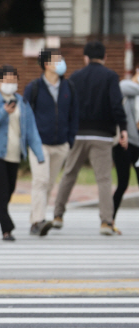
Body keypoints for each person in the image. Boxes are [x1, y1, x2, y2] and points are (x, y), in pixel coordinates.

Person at [53, 41, 128, 236]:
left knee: (69, 173)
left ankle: (58, 215)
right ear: (105, 57)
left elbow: (66, 105)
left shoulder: (75, 77)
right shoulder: (111, 76)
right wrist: (123, 129)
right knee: (103, 179)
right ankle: (106, 222)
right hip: (102, 135)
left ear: (85, 58)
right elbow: (116, 105)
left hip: (78, 132)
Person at [0, 65, 45, 242]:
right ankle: (7, 229)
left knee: (8, 191)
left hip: (14, 154)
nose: (10, 84)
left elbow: (31, 130)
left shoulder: (22, 102)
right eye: (6, 80)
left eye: (13, 80)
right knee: (1, 192)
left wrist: (39, 154)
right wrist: (2, 112)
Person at [23, 49, 79, 237]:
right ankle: (38, 221)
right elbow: (24, 115)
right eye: (57, 60)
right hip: (39, 144)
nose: (62, 62)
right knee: (40, 181)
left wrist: (70, 140)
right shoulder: (34, 87)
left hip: (61, 145)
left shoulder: (69, 87)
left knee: (48, 184)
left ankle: (35, 220)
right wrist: (28, 140)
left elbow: (74, 115)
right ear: (47, 64)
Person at [112, 70, 139, 224]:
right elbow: (122, 86)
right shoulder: (126, 87)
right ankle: (109, 219)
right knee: (123, 183)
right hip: (124, 144)